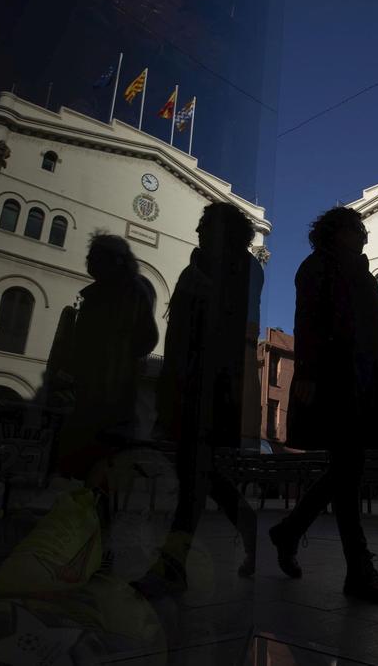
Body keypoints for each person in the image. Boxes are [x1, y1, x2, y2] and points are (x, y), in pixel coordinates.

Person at [267, 206, 378, 604]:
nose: (362, 235)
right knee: (348, 468)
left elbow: (373, 334)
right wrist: (305, 373)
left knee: (347, 468)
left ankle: (291, 531)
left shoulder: (359, 273)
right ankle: (358, 568)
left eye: (361, 230)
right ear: (334, 232)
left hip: (360, 381)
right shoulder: (316, 269)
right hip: (334, 379)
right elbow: (307, 322)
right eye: (354, 229)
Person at [136, 202, 262, 595]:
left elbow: (223, 333)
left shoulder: (235, 270)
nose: (200, 229)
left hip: (207, 388)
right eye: (202, 223)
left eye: (208, 224)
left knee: (194, 477)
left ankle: (172, 564)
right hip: (189, 385)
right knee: (202, 476)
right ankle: (248, 527)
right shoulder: (200, 268)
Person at [52, 233, 159, 480]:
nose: (89, 261)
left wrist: (118, 354)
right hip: (98, 389)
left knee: (94, 462)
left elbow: (146, 338)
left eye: (95, 257)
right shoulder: (112, 292)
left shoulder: (125, 293)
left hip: (105, 391)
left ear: (113, 261)